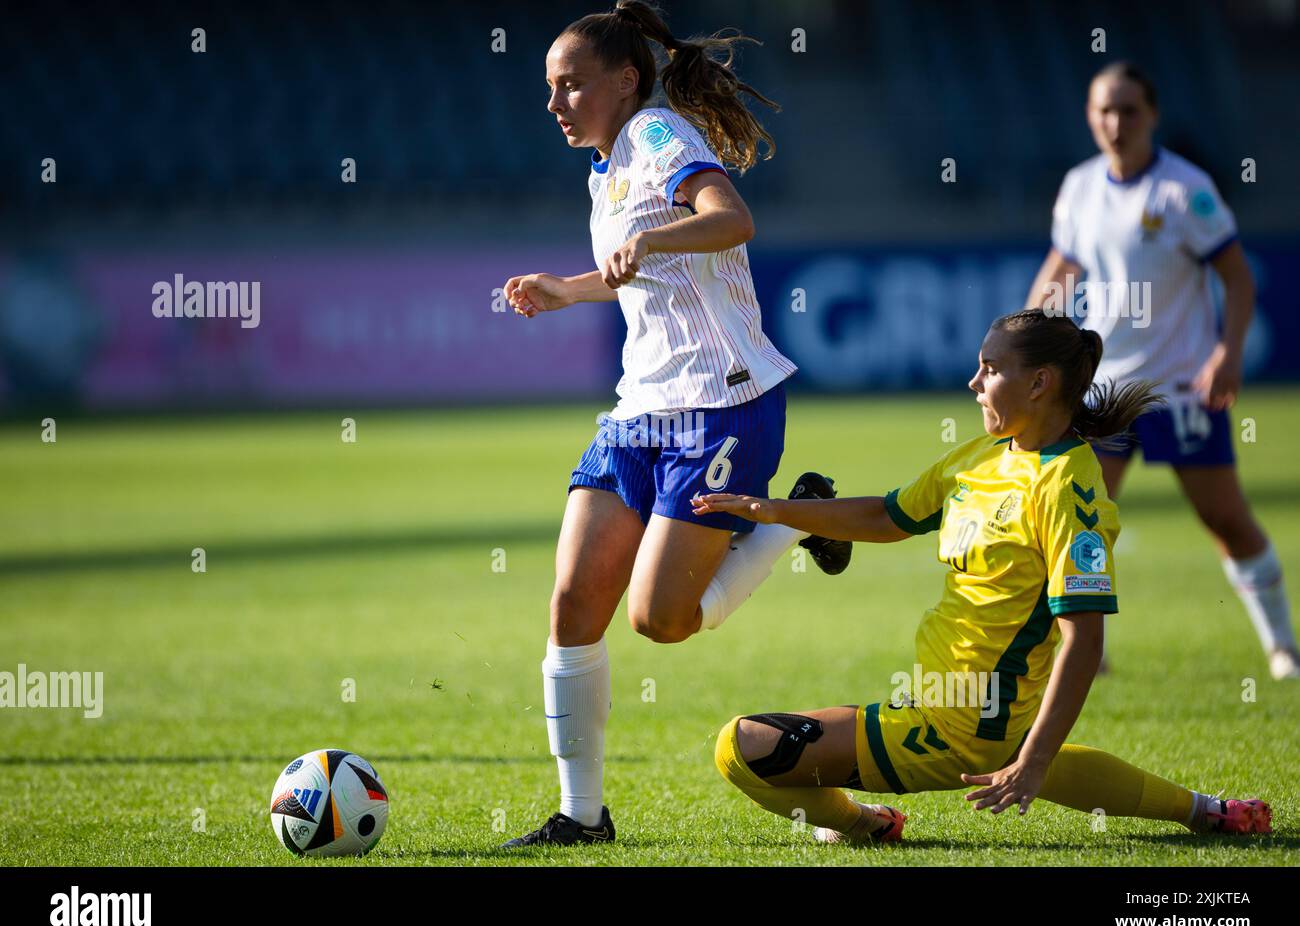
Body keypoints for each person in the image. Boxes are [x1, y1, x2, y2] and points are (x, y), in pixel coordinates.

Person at [695, 310, 1272, 844]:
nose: (974, 383)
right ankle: (1205, 810)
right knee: (1024, 752)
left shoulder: (1069, 491)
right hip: (940, 705)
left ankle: (864, 825)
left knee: (740, 749)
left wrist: (1035, 761)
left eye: (991, 369)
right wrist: (774, 512)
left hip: (963, 725)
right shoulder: (983, 455)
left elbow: (1085, 639)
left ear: (1040, 383)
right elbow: (887, 515)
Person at [499, 1, 849, 847]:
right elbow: (635, 270)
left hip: (723, 402)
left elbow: (732, 220)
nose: (556, 104)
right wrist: (567, 287)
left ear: (625, 81)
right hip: (641, 408)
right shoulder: (607, 164)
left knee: (660, 620)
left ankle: (793, 521)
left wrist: (651, 246)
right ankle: (582, 818)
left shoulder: (657, 136)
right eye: (550, 88)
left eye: (572, 85)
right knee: (575, 604)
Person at [1025, 61, 1299, 680]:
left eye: (1127, 110)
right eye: (1103, 110)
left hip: (1180, 391)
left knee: (1225, 518)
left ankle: (1283, 648)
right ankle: (1082, 657)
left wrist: (1227, 352)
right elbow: (1061, 271)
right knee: (1082, 522)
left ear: (1151, 115)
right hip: (1104, 389)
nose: (1115, 122)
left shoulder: (1185, 191)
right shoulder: (1079, 187)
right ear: (1089, 117)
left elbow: (1236, 275)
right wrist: (1026, 335)